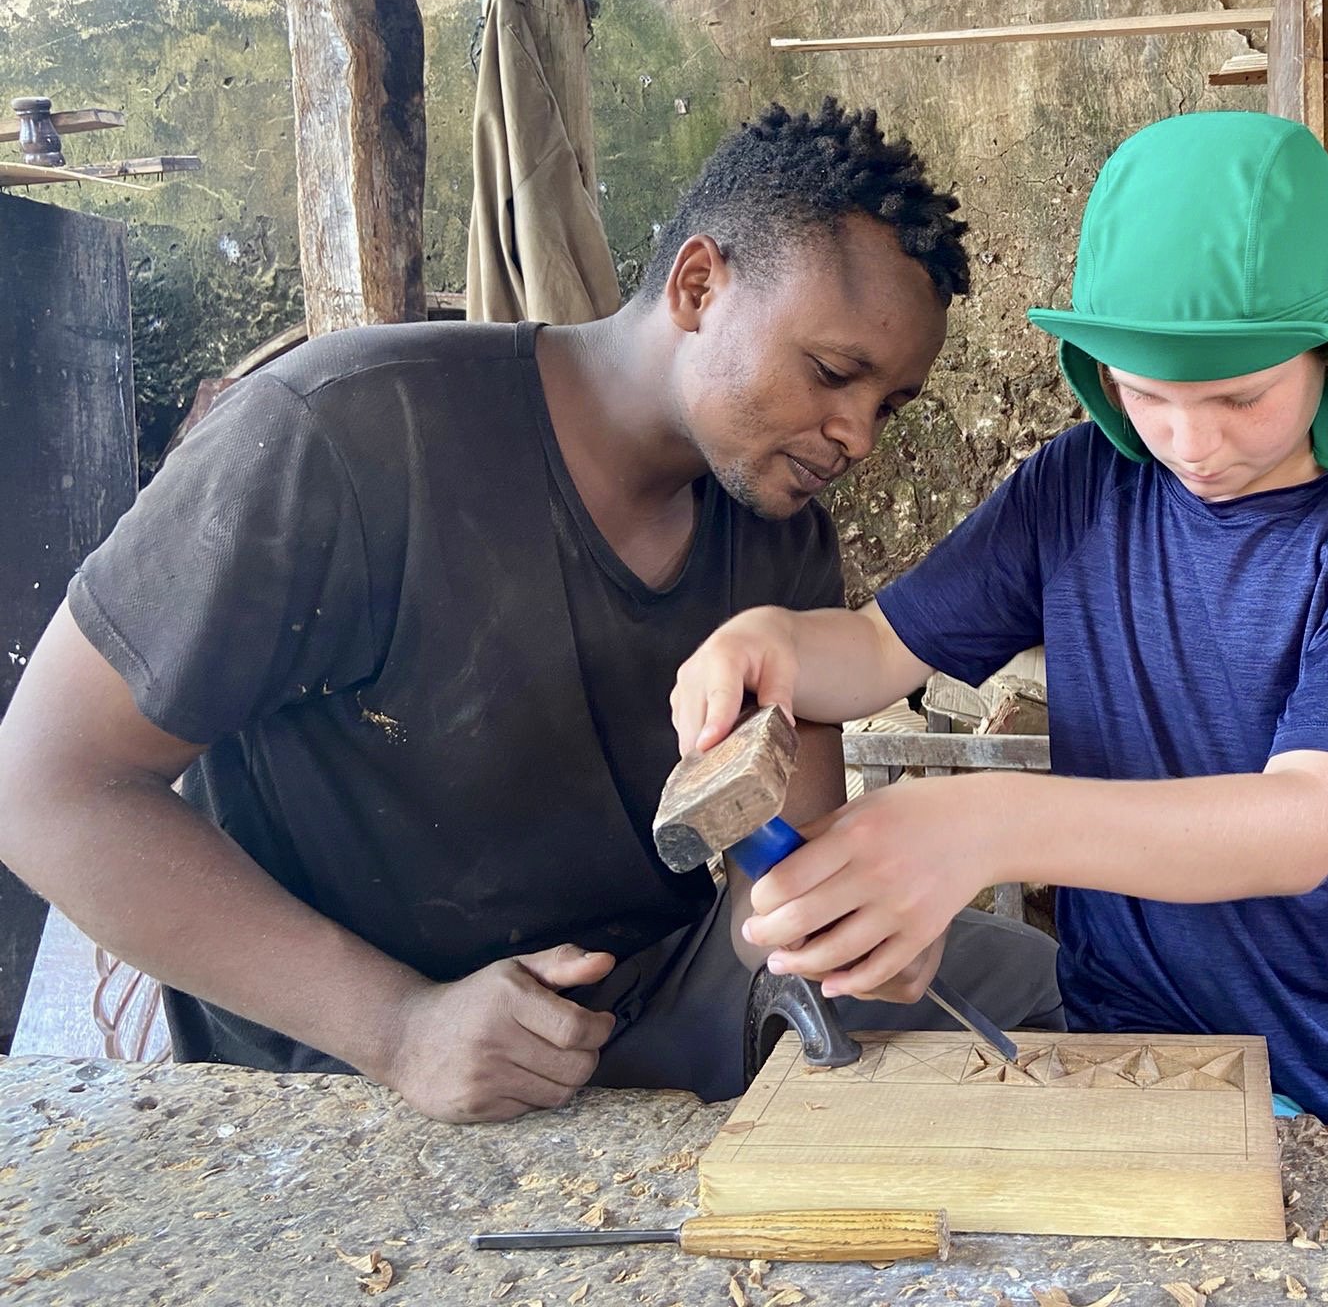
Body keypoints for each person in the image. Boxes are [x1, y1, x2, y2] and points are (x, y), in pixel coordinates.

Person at [0, 101, 1059, 1122]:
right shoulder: (349, 436)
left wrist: (832, 923)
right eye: (832, 373)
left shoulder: (778, 537)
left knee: (1045, 994)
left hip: (657, 1009)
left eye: (887, 404)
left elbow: (773, 874)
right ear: (698, 284)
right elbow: (42, 786)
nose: (857, 435)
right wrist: (396, 1026)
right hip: (360, 1059)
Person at [670, 111, 1328, 1123]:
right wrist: (771, 641)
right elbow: (880, 649)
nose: (1189, 442)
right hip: (1134, 1052)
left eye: (1239, 398)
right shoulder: (1080, 486)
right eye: (1147, 394)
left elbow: (1298, 825)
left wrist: (982, 826)